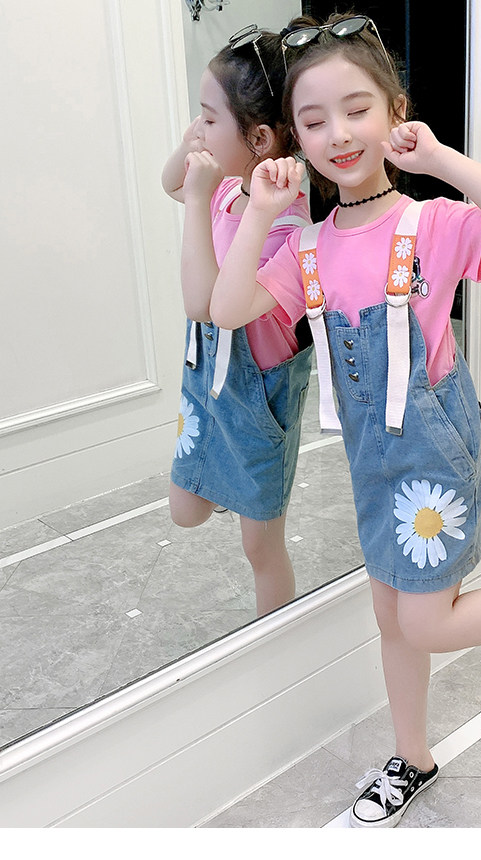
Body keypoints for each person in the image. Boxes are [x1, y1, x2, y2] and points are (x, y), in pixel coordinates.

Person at [211, 12, 481, 827]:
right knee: (393, 619)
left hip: (436, 454)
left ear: (394, 111)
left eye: (357, 109)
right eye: (314, 121)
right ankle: (412, 755)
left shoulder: (433, 224)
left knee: (424, 620)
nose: (339, 134)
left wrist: (442, 160)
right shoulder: (305, 247)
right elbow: (228, 306)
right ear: (296, 140)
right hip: (372, 462)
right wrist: (259, 215)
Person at [161, 25, 313, 618]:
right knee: (186, 510)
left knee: (259, 546)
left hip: (258, 399)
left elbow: (203, 305)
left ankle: (277, 640)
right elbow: (171, 183)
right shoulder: (230, 189)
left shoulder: (286, 230)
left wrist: (199, 199)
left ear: (259, 138)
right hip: (207, 378)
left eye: (209, 119)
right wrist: (193, 142)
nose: (198, 131)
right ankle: (231, 482)